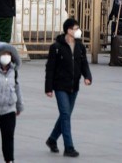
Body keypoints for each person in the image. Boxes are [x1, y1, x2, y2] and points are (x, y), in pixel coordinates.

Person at [44, 18, 92, 158]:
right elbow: (50, 69)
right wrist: (48, 88)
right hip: (60, 86)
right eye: (76, 28)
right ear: (68, 30)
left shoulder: (80, 46)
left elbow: (84, 64)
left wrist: (87, 76)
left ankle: (52, 139)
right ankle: (69, 147)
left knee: (66, 115)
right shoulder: (56, 47)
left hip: (74, 86)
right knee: (65, 115)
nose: (78, 31)